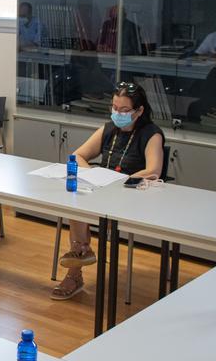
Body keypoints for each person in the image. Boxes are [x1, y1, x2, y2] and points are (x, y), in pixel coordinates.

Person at [51, 82, 165, 300]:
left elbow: (153, 170)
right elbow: (78, 156)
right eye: (114, 108)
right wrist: (93, 175)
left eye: (124, 110)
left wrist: (119, 181)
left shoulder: (151, 134)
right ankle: (80, 257)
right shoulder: (109, 128)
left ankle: (78, 262)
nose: (117, 114)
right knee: (75, 200)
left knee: (80, 205)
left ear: (139, 111)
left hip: (131, 194)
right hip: (103, 190)